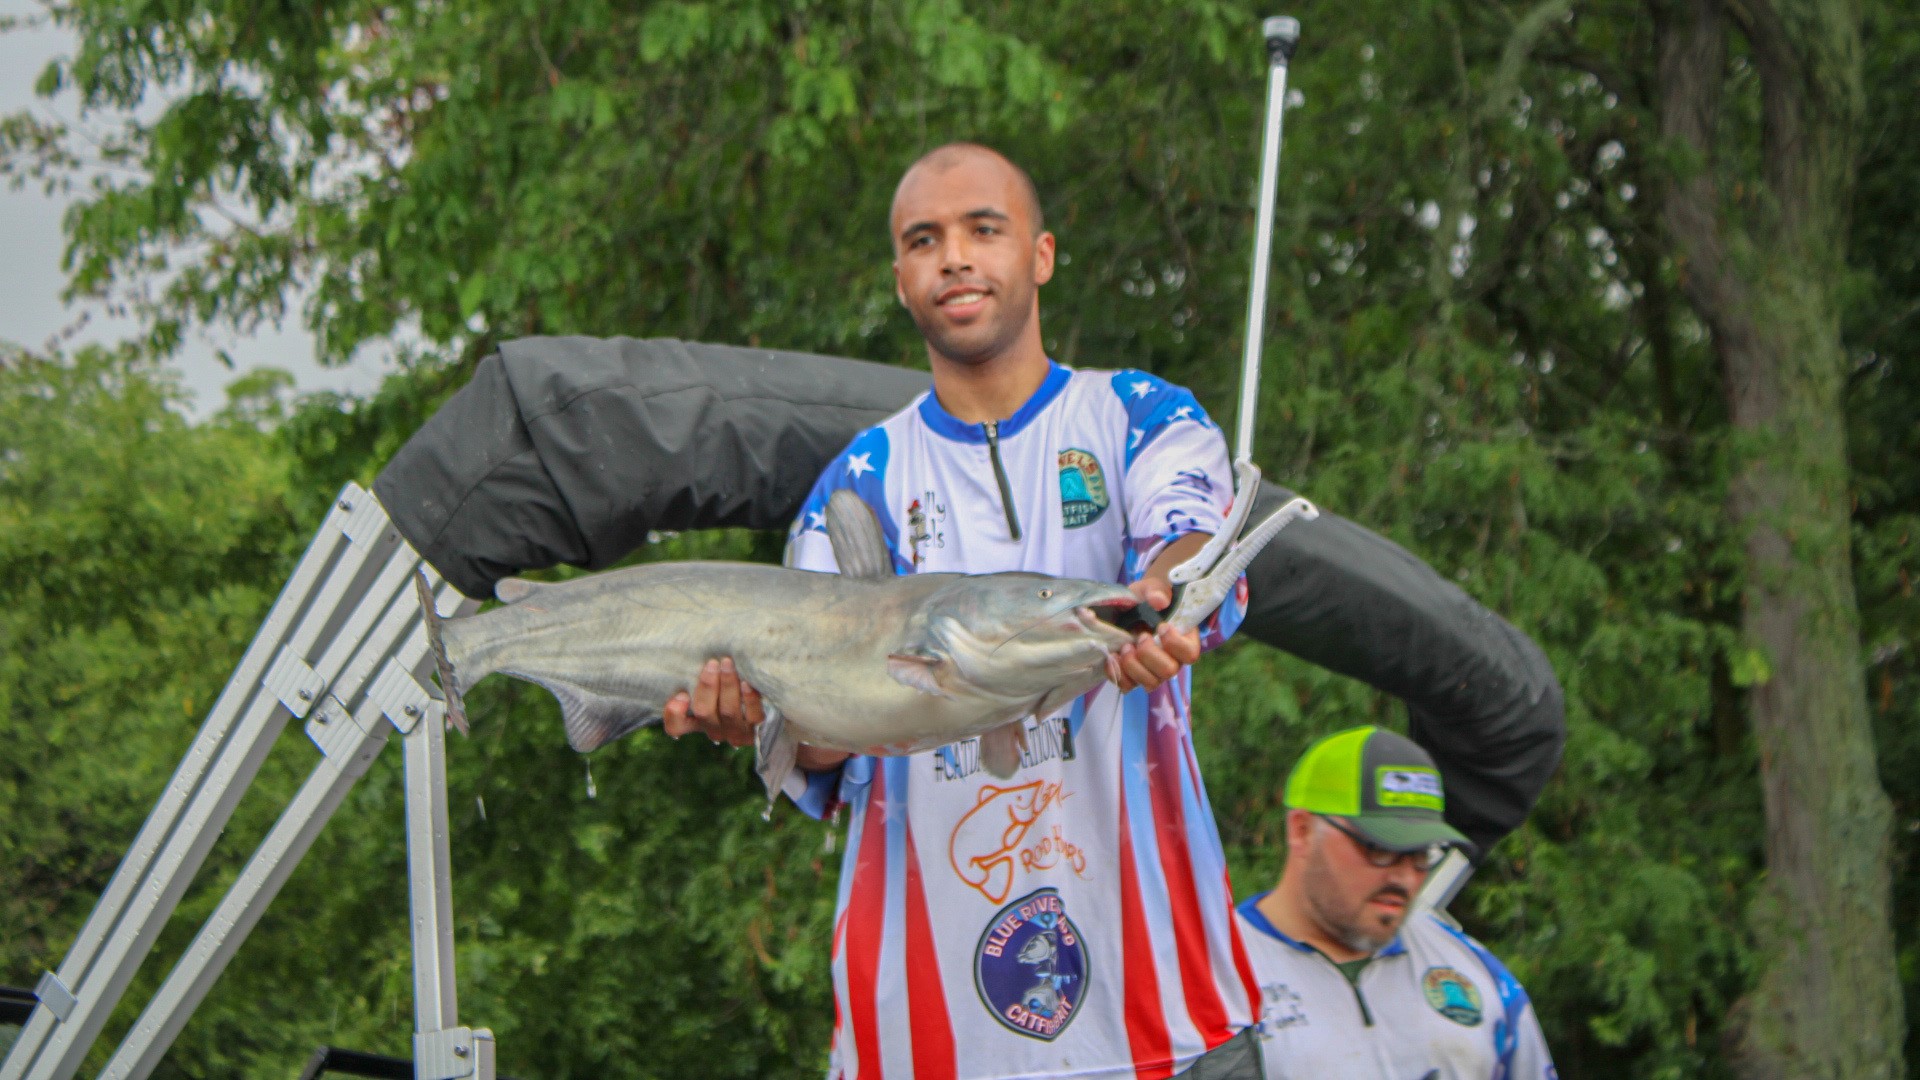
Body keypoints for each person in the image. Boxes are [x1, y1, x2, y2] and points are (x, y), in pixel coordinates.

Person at [661, 141, 1266, 1079]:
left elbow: (1191, 550)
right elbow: (822, 744)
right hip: (922, 1042)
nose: (955, 256)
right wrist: (758, 713)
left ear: (1042, 254)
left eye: (985, 229)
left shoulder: (1140, 414)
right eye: (924, 239)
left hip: (1172, 1027)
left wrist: (1167, 602)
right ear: (901, 281)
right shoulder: (857, 483)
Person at [1236, 725, 1555, 1079]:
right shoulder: (1214, 978)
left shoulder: (1474, 974)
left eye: (1420, 854)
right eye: (1378, 849)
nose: (1404, 879)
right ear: (1302, 831)